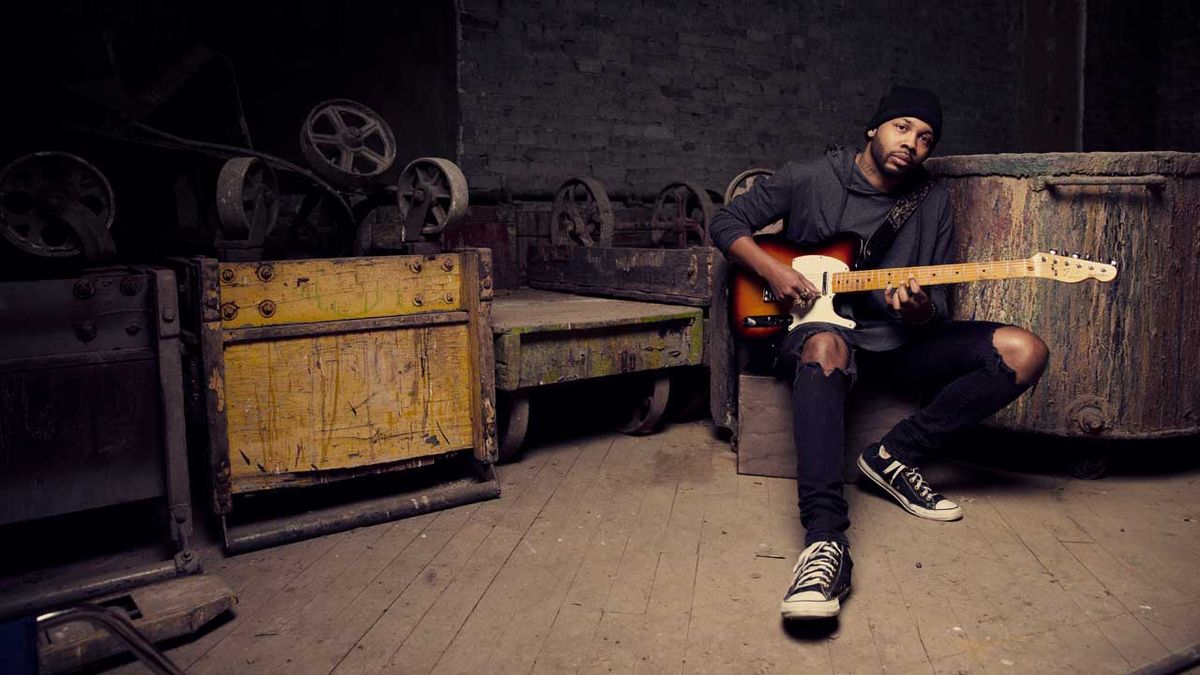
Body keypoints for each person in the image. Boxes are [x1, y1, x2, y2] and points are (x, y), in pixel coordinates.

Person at [708, 85, 1049, 620]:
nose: (913, 143)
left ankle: (895, 454)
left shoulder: (931, 201)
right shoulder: (809, 176)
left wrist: (916, 311)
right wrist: (775, 270)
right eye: (903, 127)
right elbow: (725, 222)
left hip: (892, 342)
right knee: (825, 346)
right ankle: (826, 543)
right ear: (874, 128)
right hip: (812, 330)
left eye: (926, 138)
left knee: (1024, 350)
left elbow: (935, 306)